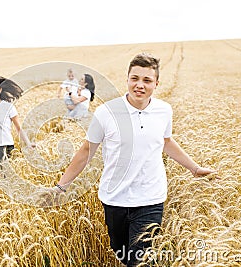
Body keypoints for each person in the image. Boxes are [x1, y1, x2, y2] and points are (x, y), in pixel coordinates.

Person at [51, 53, 216, 266]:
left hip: (151, 198)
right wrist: (61, 186)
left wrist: (194, 168)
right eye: (135, 78)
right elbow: (86, 151)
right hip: (114, 198)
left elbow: (166, 142)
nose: (140, 85)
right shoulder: (106, 112)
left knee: (140, 260)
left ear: (156, 83)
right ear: (127, 79)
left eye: (147, 80)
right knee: (122, 254)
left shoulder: (164, 111)